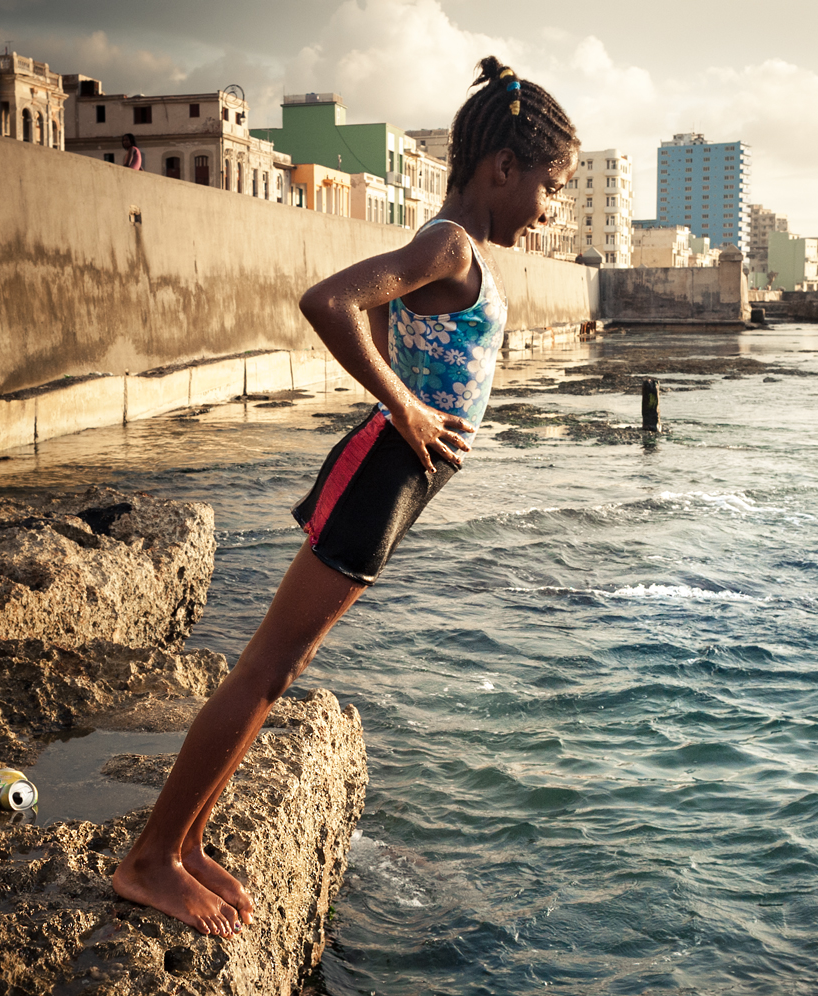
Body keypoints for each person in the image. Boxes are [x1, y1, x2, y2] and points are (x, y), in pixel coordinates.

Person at [111, 56, 580, 937]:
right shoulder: (448, 244)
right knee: (266, 668)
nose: (550, 210)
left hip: (398, 483)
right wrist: (403, 404)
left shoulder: (459, 245)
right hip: (382, 473)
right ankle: (150, 858)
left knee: (278, 671)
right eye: (549, 187)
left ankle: (187, 842)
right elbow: (330, 301)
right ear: (502, 167)